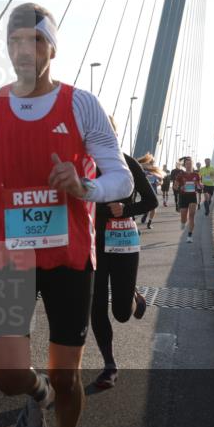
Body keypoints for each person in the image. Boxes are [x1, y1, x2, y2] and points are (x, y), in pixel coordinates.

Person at [0, 3, 133, 427]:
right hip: (10, 253)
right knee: (8, 377)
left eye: (35, 40)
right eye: (15, 41)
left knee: (66, 374)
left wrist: (84, 186)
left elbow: (121, 178)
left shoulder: (82, 105)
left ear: (51, 48)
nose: (24, 50)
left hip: (69, 256)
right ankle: (38, 396)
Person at [92, 143, 158, 390]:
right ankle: (109, 365)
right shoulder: (83, 163)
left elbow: (151, 200)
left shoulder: (127, 163)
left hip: (123, 241)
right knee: (96, 305)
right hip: (93, 244)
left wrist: (125, 209)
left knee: (121, 314)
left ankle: (132, 296)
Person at [174, 157, 201, 244]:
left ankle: (190, 235)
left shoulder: (196, 175)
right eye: (187, 164)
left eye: (190, 164)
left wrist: (200, 186)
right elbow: (175, 186)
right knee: (184, 218)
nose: (189, 165)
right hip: (183, 197)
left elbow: (199, 185)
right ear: (184, 165)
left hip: (192, 196)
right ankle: (183, 223)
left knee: (192, 215)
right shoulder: (180, 175)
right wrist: (180, 187)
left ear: (192, 165)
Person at [136, 153, 164, 230]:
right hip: (145, 193)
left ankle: (149, 222)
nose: (151, 164)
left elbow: (161, 180)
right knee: (145, 206)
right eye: (150, 162)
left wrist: (159, 183)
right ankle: (145, 214)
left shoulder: (155, 171)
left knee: (154, 207)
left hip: (153, 192)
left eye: (152, 162)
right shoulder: (143, 171)